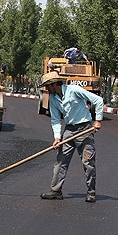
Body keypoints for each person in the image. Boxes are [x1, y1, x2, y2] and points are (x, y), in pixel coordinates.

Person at [39, 71, 104, 203]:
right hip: (69, 130)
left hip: (84, 129)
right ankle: (56, 191)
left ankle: (91, 192)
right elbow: (56, 120)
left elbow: (98, 100)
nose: (46, 89)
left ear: (54, 84)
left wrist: (98, 120)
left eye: (47, 86)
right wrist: (57, 138)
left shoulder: (73, 90)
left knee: (88, 161)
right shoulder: (53, 98)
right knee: (61, 160)